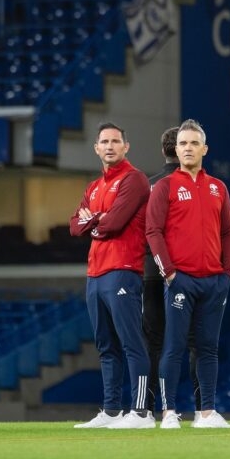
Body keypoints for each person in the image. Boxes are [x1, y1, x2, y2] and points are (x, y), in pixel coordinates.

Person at [146, 118, 230, 429]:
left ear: (204, 149)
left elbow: (229, 231)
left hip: (214, 282)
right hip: (180, 280)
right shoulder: (164, 186)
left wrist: (228, 273)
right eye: (182, 143)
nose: (187, 148)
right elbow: (153, 231)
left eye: (193, 143)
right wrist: (169, 273)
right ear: (176, 148)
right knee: (174, 346)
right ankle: (169, 412)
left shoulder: (218, 188)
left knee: (208, 347)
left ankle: (207, 413)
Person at [69, 121, 155, 429]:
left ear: (125, 146)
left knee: (132, 343)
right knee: (106, 346)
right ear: (96, 148)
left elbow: (114, 224)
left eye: (115, 141)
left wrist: (94, 220)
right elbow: (73, 226)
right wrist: (97, 220)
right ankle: (111, 411)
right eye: (104, 141)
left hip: (123, 270)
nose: (109, 146)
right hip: (95, 274)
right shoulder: (93, 187)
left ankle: (142, 412)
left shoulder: (135, 180)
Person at [143, 126, 201, 418]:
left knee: (154, 342)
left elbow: (143, 232)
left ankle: (151, 409)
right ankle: (202, 409)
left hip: (151, 273)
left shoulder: (148, 186)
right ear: (178, 149)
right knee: (192, 341)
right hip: (185, 273)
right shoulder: (193, 185)